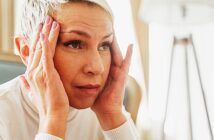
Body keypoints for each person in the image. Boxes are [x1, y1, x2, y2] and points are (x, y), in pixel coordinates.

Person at [0, 0, 140, 140]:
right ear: (27, 51)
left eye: (104, 45)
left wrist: (111, 115)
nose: (98, 68)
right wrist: (53, 118)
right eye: (74, 44)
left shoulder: (105, 108)